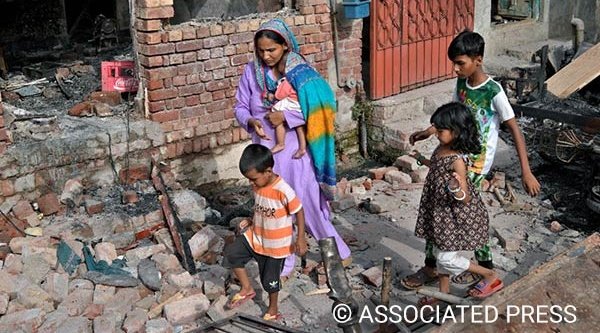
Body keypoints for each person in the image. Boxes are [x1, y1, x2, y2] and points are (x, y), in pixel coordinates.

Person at [401, 30, 541, 289]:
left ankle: (481, 268)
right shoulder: (462, 84)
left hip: (475, 164)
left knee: (465, 213)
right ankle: (435, 266)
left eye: (460, 63)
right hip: (455, 156)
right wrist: (430, 130)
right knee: (439, 208)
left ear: (478, 59)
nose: (455, 69)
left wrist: (526, 171)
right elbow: (452, 115)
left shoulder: (493, 91)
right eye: (453, 63)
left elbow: (515, 129)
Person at [234, 18, 351, 277]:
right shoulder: (251, 73)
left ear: (285, 46)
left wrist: (287, 118)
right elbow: (240, 106)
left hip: (297, 154)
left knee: (306, 204)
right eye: (261, 50)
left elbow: (323, 105)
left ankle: (339, 253)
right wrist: (251, 120)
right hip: (267, 156)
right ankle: (283, 264)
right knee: (274, 211)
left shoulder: (300, 72)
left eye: (271, 50)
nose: (266, 56)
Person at [413, 102, 504, 305]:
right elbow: (435, 167)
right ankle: (444, 294)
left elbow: (465, 197)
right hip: (439, 212)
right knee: (439, 251)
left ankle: (489, 274)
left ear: (456, 132)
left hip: (455, 215)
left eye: (441, 129)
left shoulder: (457, 161)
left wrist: (455, 187)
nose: (436, 133)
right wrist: (420, 158)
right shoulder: (441, 148)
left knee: (446, 258)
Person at [224, 144, 308, 320]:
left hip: (276, 246)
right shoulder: (258, 185)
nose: (251, 183)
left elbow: (299, 211)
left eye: (253, 179)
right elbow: (262, 206)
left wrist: (300, 238)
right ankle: (247, 288)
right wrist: (251, 219)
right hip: (256, 236)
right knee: (232, 254)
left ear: (268, 171)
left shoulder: (283, 190)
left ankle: (273, 309)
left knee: (270, 281)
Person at [268, 53, 307, 158]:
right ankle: (302, 147)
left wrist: (272, 95)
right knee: (298, 125)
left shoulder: (288, 81)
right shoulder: (302, 79)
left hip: (292, 102)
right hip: (300, 104)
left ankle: (280, 143)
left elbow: (279, 95)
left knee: (275, 113)